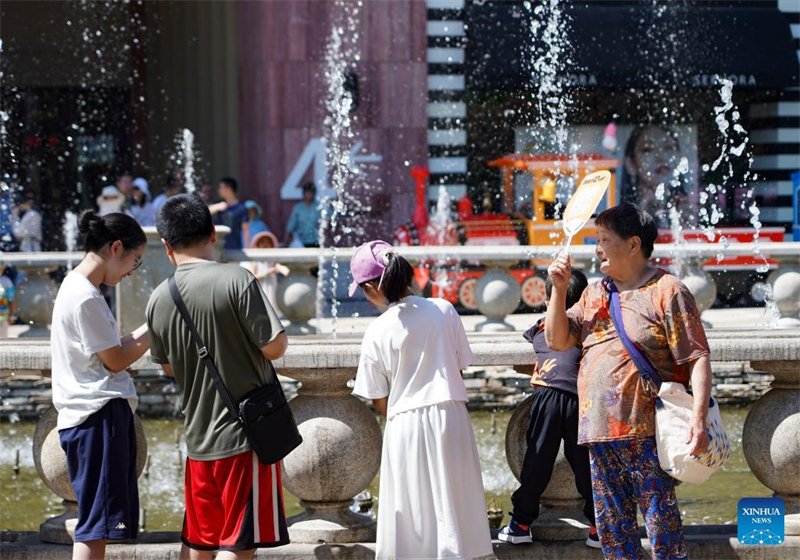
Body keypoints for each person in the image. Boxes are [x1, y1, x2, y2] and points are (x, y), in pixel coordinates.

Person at [545, 202, 712, 560]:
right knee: (615, 537)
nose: (597, 247)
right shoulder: (593, 292)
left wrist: (698, 420)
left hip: (647, 432)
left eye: (605, 238)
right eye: (596, 238)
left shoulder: (668, 290)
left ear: (634, 244)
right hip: (598, 432)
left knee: (662, 531)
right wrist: (558, 290)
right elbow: (557, 340)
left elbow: (696, 357)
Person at [146, 194, 290, 558]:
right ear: (213, 233)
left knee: (200, 542)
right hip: (245, 438)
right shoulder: (236, 279)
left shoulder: (159, 298)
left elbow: (167, 367)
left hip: (198, 442)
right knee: (239, 545)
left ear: (166, 245)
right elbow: (275, 347)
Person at [350, 240, 494, 560]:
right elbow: (456, 366)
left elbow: (378, 396)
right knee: (454, 511)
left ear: (372, 287)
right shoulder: (444, 309)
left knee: (413, 524)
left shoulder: (376, 330)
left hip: (404, 422)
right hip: (450, 415)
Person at [50, 211, 149, 560]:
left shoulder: (77, 287)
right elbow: (117, 360)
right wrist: (156, 325)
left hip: (91, 417)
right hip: (97, 418)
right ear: (116, 247)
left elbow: (111, 350)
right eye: (133, 262)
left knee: (96, 525)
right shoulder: (86, 296)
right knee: (95, 528)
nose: (130, 273)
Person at [499, 268, 600, 549]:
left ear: (548, 301)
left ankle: (520, 524)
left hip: (549, 396)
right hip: (580, 398)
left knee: (537, 461)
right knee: (585, 466)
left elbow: (534, 335)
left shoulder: (544, 327)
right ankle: (600, 526)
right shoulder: (587, 328)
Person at [620, 125, 691, 228]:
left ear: (680, 158)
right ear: (630, 164)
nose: (661, 157)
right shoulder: (620, 218)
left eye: (668, 147)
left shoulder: (694, 210)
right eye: (647, 149)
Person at [244, 231, 288, 307]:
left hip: (270, 287)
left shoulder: (272, 260)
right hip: (260, 288)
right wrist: (268, 272)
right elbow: (252, 277)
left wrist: (284, 270)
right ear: (258, 245)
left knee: (271, 305)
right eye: (262, 242)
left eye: (268, 242)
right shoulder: (254, 260)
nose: (265, 244)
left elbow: (280, 267)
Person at [208, 177, 248, 250]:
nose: (218, 191)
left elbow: (245, 230)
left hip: (235, 247)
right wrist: (215, 207)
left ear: (229, 189)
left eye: (221, 187)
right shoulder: (218, 205)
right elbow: (203, 213)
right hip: (216, 248)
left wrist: (247, 248)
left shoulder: (241, 208)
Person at [284, 183, 321, 248]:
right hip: (301, 242)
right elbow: (291, 224)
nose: (309, 195)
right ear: (304, 193)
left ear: (314, 194)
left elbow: (327, 218)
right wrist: (285, 242)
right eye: (307, 192)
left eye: (311, 192)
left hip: (316, 240)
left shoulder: (318, 206)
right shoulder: (298, 208)